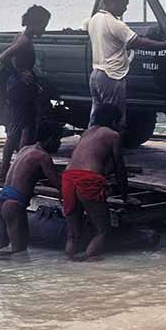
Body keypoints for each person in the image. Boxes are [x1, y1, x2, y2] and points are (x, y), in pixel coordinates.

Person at [86, 0, 166, 129]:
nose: (125, 8)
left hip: (96, 74)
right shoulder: (115, 24)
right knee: (115, 119)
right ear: (114, 2)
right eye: (124, 4)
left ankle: (91, 145)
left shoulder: (95, 19)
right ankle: (111, 149)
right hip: (112, 76)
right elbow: (138, 42)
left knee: (96, 117)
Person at [62, 104, 126, 261]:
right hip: (88, 179)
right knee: (102, 230)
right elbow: (120, 168)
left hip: (68, 177)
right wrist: (125, 195)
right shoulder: (113, 135)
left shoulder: (87, 132)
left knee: (73, 233)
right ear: (113, 120)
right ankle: (90, 268)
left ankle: (68, 266)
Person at [0, 121, 64, 256]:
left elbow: (26, 175)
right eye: (58, 140)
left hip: (2, 199)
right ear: (50, 139)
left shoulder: (24, 149)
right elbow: (57, 183)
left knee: (0, 247)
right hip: (14, 204)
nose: (59, 144)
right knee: (19, 252)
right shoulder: (43, 156)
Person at [0, 5, 51, 183]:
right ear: (35, 23)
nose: (44, 29)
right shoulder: (24, 41)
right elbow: (3, 57)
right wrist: (19, 73)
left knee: (20, 130)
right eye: (43, 25)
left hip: (18, 88)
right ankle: (11, 173)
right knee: (21, 131)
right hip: (20, 89)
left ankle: (11, 171)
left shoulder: (22, 36)